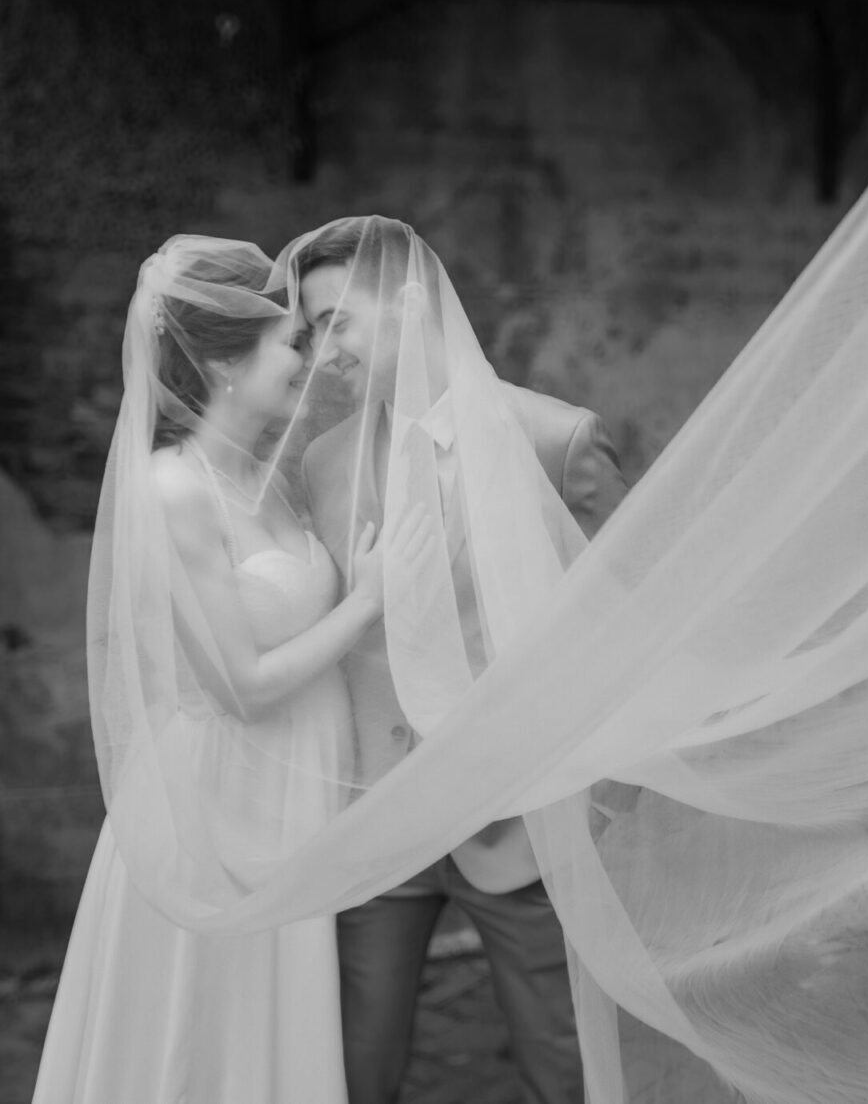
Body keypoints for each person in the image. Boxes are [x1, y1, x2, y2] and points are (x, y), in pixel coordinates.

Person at [32, 235, 427, 1104]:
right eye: (290, 341)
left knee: (275, 1039)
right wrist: (366, 604)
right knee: (199, 1042)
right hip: (220, 809)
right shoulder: (174, 491)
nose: (308, 357)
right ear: (221, 366)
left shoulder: (273, 478)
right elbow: (241, 688)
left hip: (290, 804)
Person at [286, 216, 628, 1104]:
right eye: (310, 330)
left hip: (520, 823)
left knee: (570, 1069)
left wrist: (590, 792)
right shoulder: (322, 462)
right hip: (376, 821)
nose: (321, 352)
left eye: (336, 322)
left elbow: (629, 622)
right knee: (353, 1070)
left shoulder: (558, 440)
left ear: (406, 303)